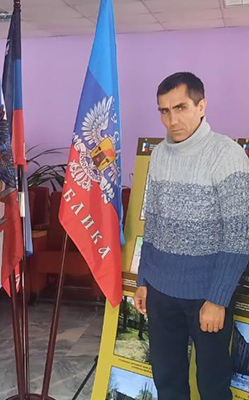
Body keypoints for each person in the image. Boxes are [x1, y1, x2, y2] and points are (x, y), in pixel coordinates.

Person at [134, 72, 249, 400]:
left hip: (206, 296)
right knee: (167, 380)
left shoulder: (227, 155)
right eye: (164, 111)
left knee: (212, 386)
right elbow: (153, 222)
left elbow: (238, 236)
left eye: (180, 107)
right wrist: (143, 279)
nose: (172, 120)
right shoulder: (158, 155)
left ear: (202, 106)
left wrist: (218, 299)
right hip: (160, 292)